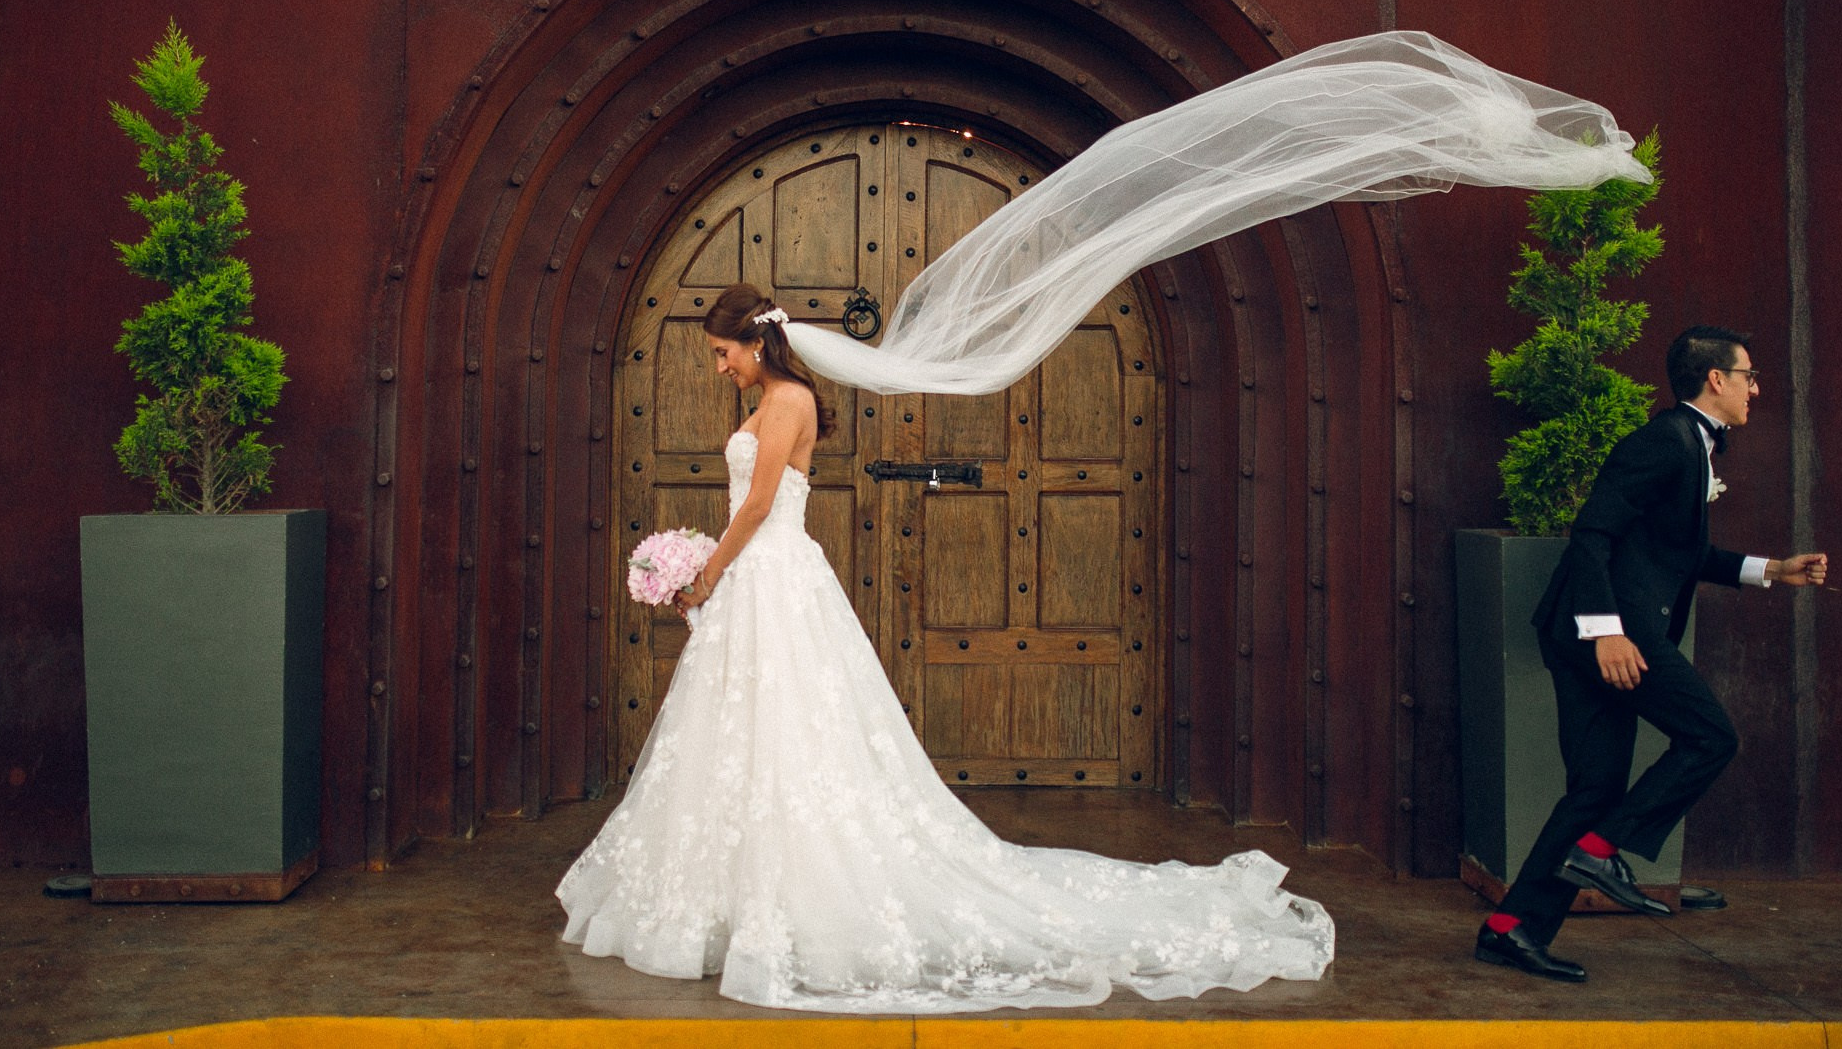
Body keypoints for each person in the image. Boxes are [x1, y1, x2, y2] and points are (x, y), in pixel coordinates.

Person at [557, 284, 1334, 1013]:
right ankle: (727, 901)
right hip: (754, 580)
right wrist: (706, 570)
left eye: (722, 352)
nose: (719, 366)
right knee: (739, 734)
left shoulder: (789, 400)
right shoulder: (767, 399)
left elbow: (758, 504)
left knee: (790, 729)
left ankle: (790, 903)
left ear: (754, 344)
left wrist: (703, 576)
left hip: (772, 574)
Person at [1476, 326, 1829, 982]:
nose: (1755, 389)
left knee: (1594, 789)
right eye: (1748, 376)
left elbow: (1682, 553)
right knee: (1710, 736)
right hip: (1611, 636)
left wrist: (1772, 570)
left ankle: (1510, 927)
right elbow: (1591, 532)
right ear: (1716, 379)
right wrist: (1606, 632)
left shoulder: (1690, 444)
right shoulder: (1664, 441)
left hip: (1593, 634)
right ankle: (1600, 850)